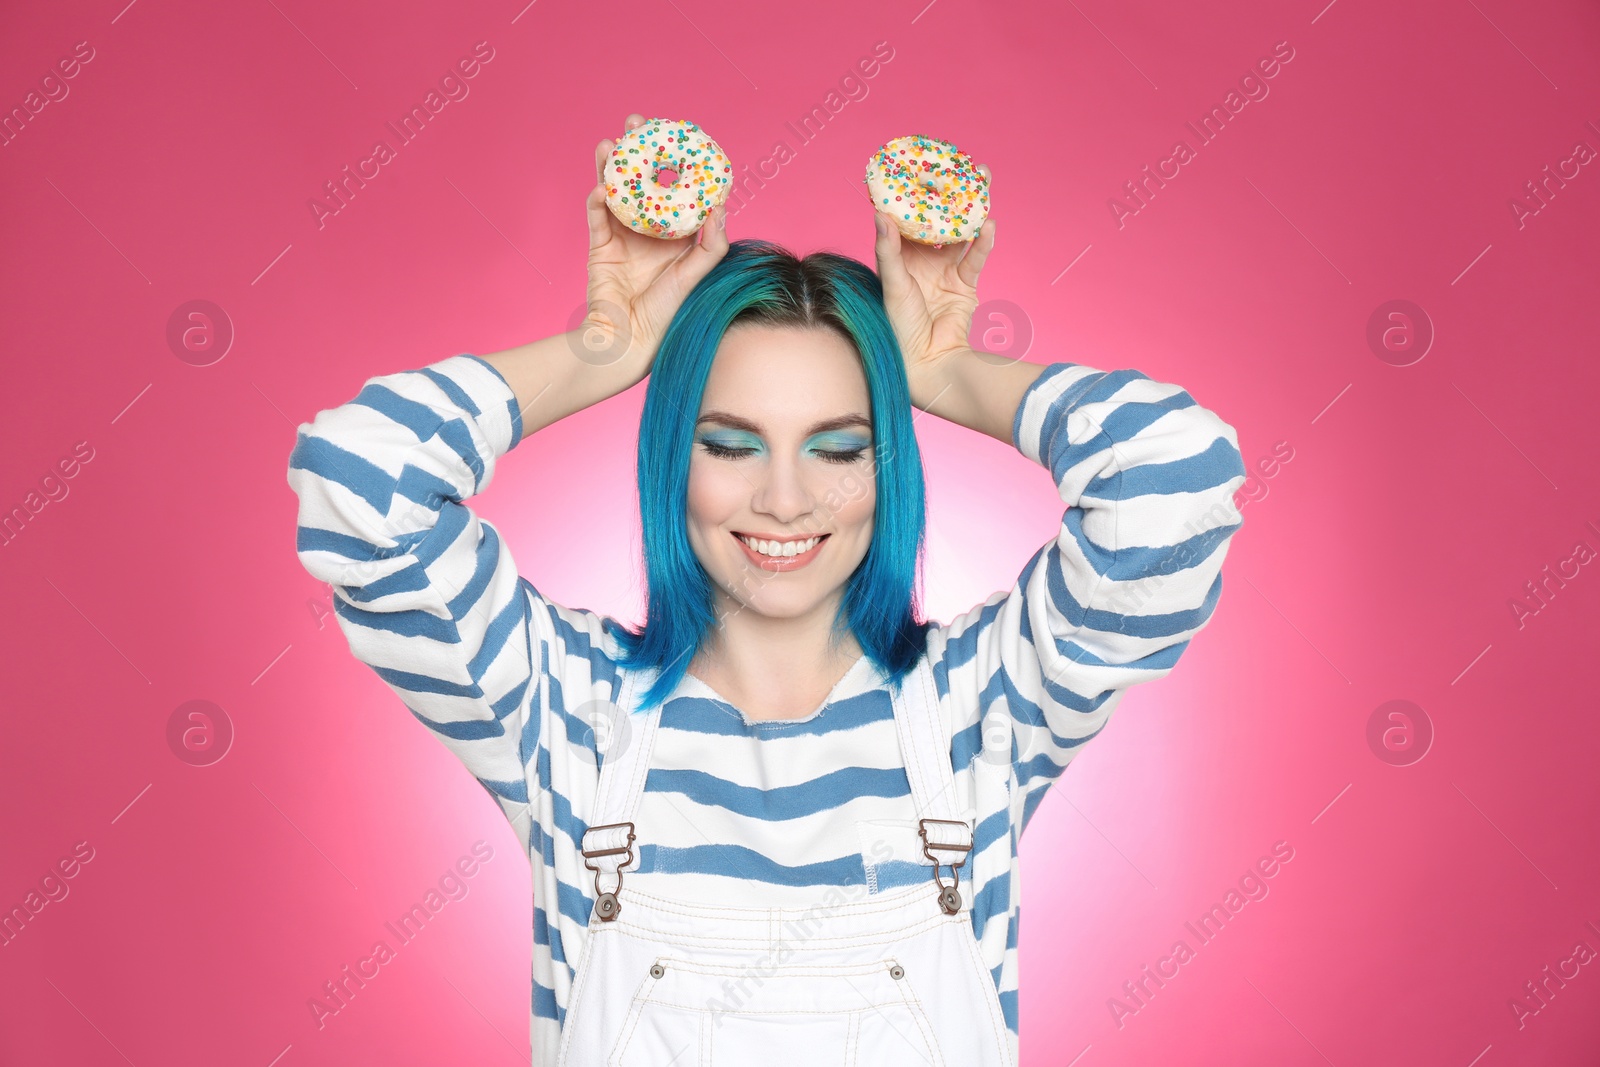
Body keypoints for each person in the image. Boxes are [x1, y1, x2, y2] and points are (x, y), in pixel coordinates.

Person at [287, 113, 1247, 1066]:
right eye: (730, 444)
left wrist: (949, 373)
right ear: (676, 452)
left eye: (838, 448)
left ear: (889, 465)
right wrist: (604, 349)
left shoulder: (983, 706)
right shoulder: (566, 709)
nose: (785, 500)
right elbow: (361, 483)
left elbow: (1176, 478)